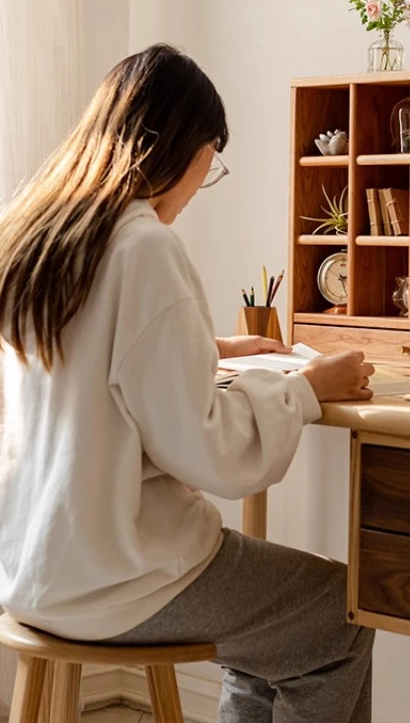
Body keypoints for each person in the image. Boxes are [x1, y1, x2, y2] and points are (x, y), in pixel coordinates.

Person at [0, 43, 375, 723]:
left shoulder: (42, 236)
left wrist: (207, 347)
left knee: (271, 621)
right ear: (181, 145)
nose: (205, 180)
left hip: (30, 564)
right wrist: (308, 387)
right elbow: (208, 450)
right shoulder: (144, 245)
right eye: (212, 158)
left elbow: (88, 365)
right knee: (339, 613)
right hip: (118, 577)